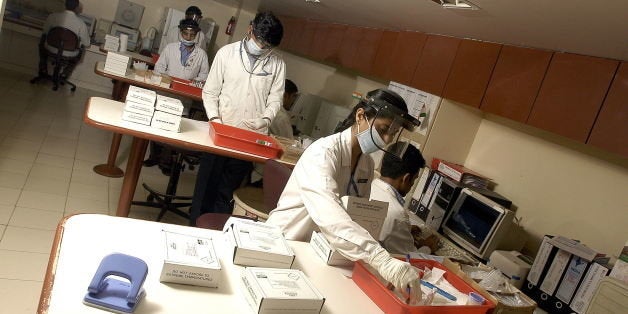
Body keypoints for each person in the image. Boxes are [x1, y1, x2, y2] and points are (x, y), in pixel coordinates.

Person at [266, 88, 424, 303]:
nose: (386, 139)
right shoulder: (322, 153)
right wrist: (381, 260)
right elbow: (333, 218)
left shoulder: (367, 164)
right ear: (361, 116)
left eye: (392, 133)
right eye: (383, 129)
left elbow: (357, 217)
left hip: (321, 253)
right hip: (286, 242)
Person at [189, 12, 285, 223]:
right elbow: (210, 91)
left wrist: (266, 119)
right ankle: (195, 226)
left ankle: (217, 231)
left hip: (250, 136)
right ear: (250, 29)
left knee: (229, 190)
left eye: (268, 45)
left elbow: (276, 99)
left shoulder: (277, 64)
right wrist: (215, 120)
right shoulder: (227, 54)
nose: (262, 47)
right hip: (220, 131)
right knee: (205, 187)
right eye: (260, 41)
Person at [145, 18, 209, 173]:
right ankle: (154, 156)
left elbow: (205, 75)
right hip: (167, 91)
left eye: (191, 34)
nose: (188, 37)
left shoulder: (201, 54)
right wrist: (169, 78)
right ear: (181, 33)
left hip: (184, 96)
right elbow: (159, 68)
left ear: (196, 35)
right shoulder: (170, 48)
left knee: (174, 127)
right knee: (157, 123)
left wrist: (193, 81)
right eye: (185, 33)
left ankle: (166, 162)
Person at [371, 142, 426, 254]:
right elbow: (409, 258)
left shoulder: (369, 187)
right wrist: (428, 247)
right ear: (406, 178)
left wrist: (406, 229)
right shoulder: (398, 215)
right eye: (414, 180)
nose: (412, 185)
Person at [37, 0, 91, 78]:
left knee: (42, 41)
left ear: (65, 5)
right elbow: (87, 44)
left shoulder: (52, 16)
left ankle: (43, 68)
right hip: (69, 53)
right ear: (76, 8)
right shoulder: (81, 24)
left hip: (50, 48)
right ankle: (65, 74)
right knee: (81, 51)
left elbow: (45, 32)